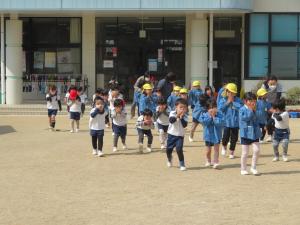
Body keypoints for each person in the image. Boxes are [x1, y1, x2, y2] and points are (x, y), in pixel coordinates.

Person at [218, 83, 243, 159]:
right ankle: (224, 147)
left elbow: (241, 108)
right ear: (226, 92)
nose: (231, 94)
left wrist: (233, 103)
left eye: (232, 92)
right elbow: (220, 109)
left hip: (236, 123)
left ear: (235, 93)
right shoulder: (223, 99)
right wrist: (228, 102)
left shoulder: (238, 100)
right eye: (229, 92)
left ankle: (231, 152)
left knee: (234, 139)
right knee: (225, 137)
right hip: (226, 123)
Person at [239, 92, 262, 176]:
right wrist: (251, 110)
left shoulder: (255, 109)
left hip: (255, 132)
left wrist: (255, 111)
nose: (252, 103)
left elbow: (259, 117)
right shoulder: (242, 109)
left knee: (257, 150)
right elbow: (245, 118)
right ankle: (243, 169)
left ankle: (253, 167)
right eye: (250, 101)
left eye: (254, 101)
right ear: (245, 101)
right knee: (245, 153)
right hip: (245, 133)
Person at [199, 99, 224, 169]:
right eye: (210, 108)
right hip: (208, 135)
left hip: (217, 135)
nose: (212, 109)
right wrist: (210, 117)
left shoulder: (220, 114)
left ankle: (216, 162)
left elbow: (221, 123)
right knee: (208, 151)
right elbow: (204, 122)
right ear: (207, 109)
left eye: (214, 107)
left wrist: (214, 117)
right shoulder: (205, 115)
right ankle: (208, 160)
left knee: (216, 149)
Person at [166, 98, 189, 171]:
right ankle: (169, 158)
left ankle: (182, 164)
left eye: (184, 108)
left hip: (180, 136)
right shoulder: (172, 113)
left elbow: (185, 125)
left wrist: (181, 118)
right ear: (176, 107)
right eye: (181, 107)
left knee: (179, 149)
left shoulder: (185, 116)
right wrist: (177, 116)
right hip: (171, 135)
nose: (182, 109)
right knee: (168, 150)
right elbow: (171, 120)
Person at [261, 75, 283, 142]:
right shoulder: (264, 85)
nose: (273, 85)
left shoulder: (279, 85)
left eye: (274, 83)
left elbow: (278, 96)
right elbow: (262, 95)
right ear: (268, 81)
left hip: (274, 103)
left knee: (272, 120)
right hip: (266, 103)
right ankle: (262, 137)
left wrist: (275, 106)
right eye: (271, 83)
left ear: (276, 82)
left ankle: (271, 135)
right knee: (266, 119)